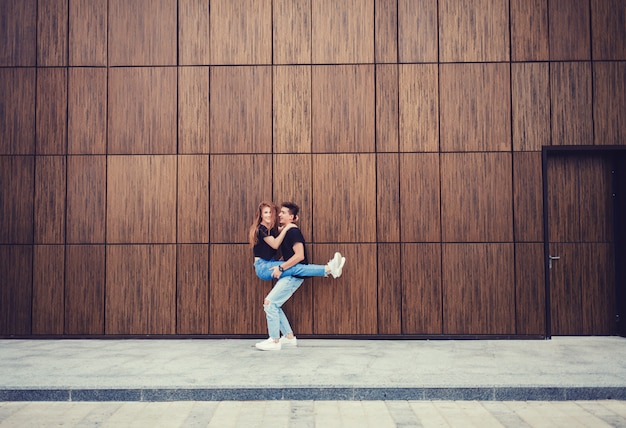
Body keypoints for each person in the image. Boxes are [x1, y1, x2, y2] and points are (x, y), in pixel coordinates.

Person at [255, 202, 346, 351]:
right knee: (274, 305)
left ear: (292, 217)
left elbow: (299, 257)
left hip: (293, 275)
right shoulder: (286, 231)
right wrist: (280, 262)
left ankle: (274, 340)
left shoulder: (293, 231)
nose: (279, 215)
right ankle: (289, 338)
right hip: (290, 273)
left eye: (283, 212)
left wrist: (280, 267)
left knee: (270, 304)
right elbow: (287, 254)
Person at [248, 201, 345, 281]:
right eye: (266, 212)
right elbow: (275, 244)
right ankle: (329, 268)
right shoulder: (261, 229)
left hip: (270, 263)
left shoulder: (271, 228)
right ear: (260, 214)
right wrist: (287, 227)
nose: (269, 215)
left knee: (293, 266)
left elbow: (285, 227)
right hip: (263, 267)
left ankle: (331, 269)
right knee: (294, 267)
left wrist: (291, 221)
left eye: (271, 212)